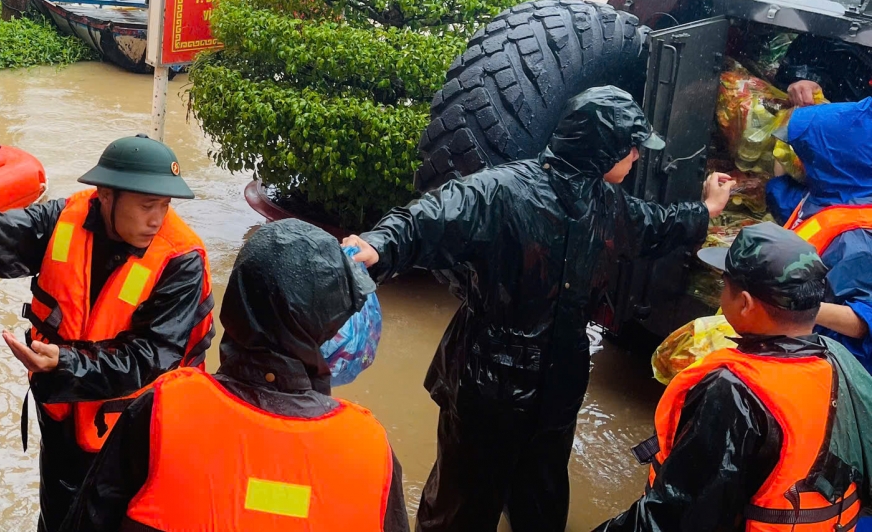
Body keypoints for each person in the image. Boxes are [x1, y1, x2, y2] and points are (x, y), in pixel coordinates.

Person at [343, 86, 736, 532]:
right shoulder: (501, 192)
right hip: (488, 379)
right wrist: (376, 246)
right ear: (601, 147)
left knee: (541, 503)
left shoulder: (606, 203)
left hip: (560, 382)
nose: (636, 157)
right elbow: (428, 219)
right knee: (461, 505)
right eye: (630, 147)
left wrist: (706, 209)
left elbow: (656, 227)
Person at [0, 134, 215, 532]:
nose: (157, 218)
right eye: (147, 205)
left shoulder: (181, 260)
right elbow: (10, 234)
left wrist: (67, 363)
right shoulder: (64, 218)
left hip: (135, 429)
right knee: (57, 515)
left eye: (165, 205)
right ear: (105, 194)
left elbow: (154, 357)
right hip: (64, 410)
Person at [61, 219, 410, 532]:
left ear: (236, 308)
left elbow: (88, 519)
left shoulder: (162, 412)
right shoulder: (370, 449)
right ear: (331, 329)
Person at [595, 222, 872, 532]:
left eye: (724, 286)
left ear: (744, 303)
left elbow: (674, 517)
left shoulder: (735, 390)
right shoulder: (840, 361)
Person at [762, 96, 872, 375]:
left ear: (831, 160)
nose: (797, 159)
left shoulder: (859, 240)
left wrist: (789, 305)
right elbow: (783, 196)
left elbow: (864, 321)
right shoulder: (828, 197)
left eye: (804, 152)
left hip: (824, 365)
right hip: (792, 343)